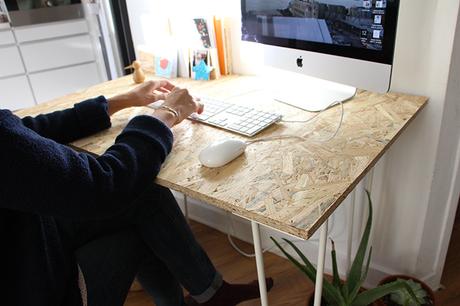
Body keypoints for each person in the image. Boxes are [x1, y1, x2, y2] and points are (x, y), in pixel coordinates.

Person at [0, 80, 273, 306]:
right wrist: (166, 115)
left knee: (144, 196)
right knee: (131, 205)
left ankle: (212, 295)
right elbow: (105, 185)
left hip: (29, 237)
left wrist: (123, 100)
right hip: (35, 285)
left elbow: (24, 133)